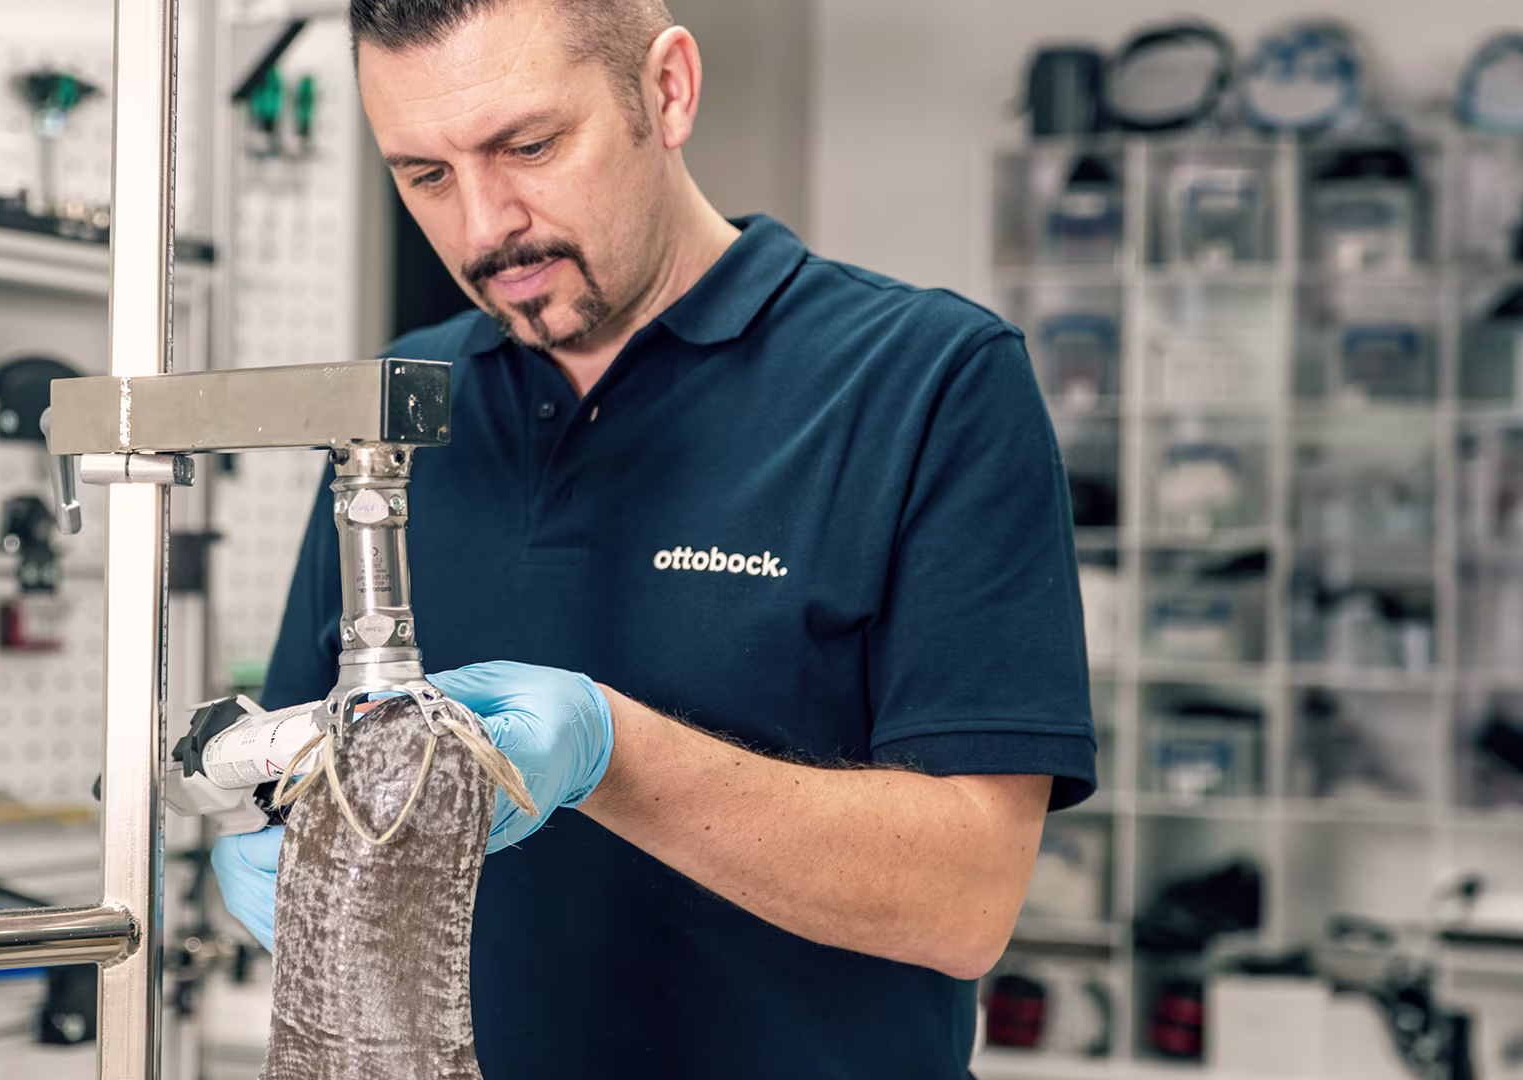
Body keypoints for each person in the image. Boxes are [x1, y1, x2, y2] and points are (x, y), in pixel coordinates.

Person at [212, 0, 1098, 1075]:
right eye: (425, 176)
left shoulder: (927, 381)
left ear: (667, 91)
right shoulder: (400, 404)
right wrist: (260, 832)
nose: (485, 225)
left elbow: (966, 903)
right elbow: (308, 770)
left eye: (529, 146)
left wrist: (612, 752)